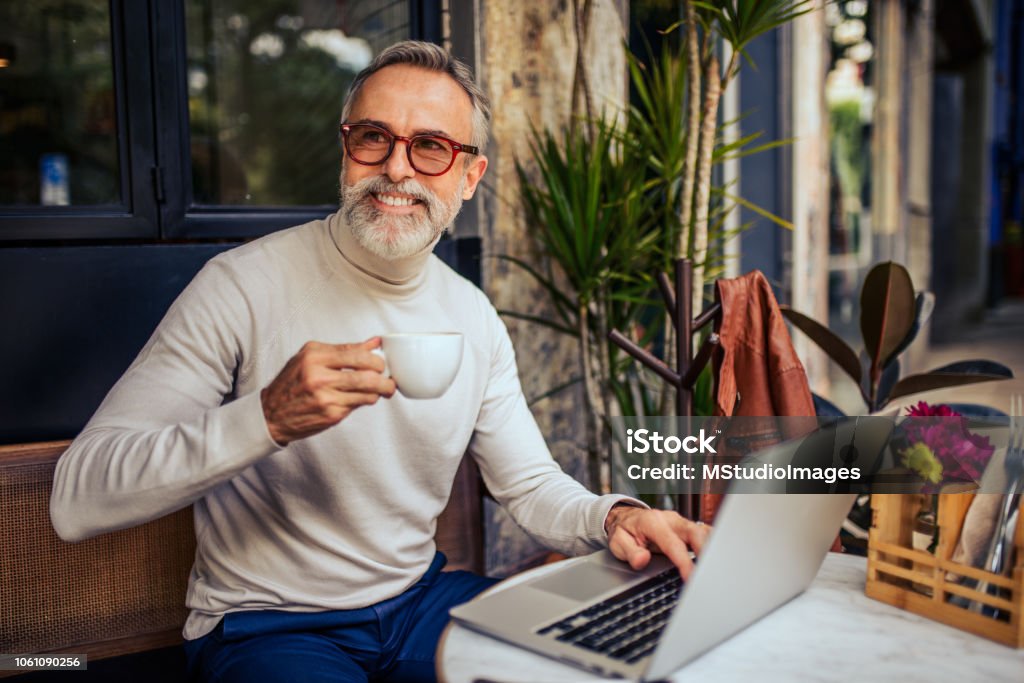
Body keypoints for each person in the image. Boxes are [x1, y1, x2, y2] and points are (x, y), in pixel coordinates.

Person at [50, 41, 708, 683]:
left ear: (468, 176)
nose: (397, 169)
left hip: (418, 603)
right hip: (271, 623)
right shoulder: (240, 285)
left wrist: (616, 514)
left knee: (599, 659)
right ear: (346, 151)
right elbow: (78, 498)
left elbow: (530, 484)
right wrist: (265, 419)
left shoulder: (472, 315)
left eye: (430, 147)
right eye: (374, 137)